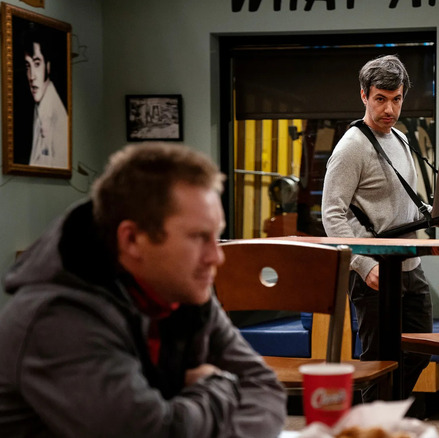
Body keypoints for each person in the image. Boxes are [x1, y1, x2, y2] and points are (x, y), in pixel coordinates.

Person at [0, 143, 286, 437]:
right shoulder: (57, 320)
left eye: (216, 236)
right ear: (132, 239)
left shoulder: (180, 291)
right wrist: (218, 385)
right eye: (199, 237)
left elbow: (263, 386)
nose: (217, 257)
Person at [321, 55, 439, 406]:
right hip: (375, 272)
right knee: (378, 365)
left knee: (419, 351)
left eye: (396, 99)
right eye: (381, 98)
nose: (389, 108)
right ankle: (373, 424)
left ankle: (389, 418)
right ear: (364, 95)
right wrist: (364, 266)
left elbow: (404, 202)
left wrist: (434, 215)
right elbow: (332, 215)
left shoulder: (399, 137)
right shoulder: (352, 147)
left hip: (409, 266)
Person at [23, 26, 68, 168]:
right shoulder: (41, 106)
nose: (31, 76)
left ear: (47, 66)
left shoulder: (52, 111)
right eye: (27, 66)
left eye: (37, 64)